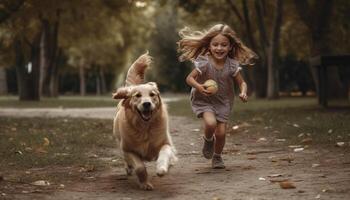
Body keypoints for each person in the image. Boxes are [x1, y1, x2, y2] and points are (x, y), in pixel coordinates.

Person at [177, 24, 257, 169]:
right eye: (215, 44)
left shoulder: (232, 65)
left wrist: (243, 92)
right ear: (209, 45)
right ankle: (208, 140)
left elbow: (242, 83)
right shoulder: (204, 62)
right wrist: (199, 87)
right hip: (204, 99)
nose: (219, 48)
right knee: (211, 123)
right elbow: (189, 79)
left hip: (223, 102)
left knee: (221, 133)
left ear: (230, 46)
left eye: (224, 45)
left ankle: (217, 156)